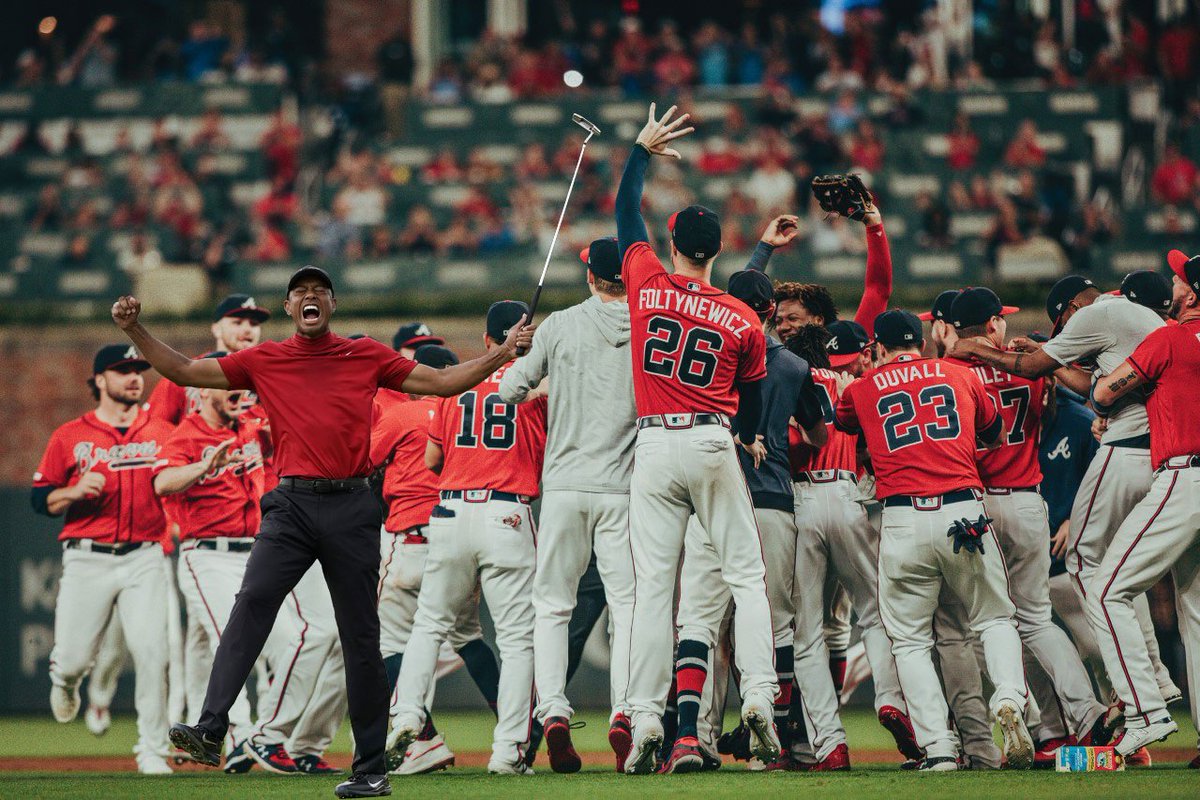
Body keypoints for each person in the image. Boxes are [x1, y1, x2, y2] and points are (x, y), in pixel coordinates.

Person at [111, 265, 536, 799]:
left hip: (352, 503)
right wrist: (133, 330)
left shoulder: (366, 354)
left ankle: (371, 769)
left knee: (361, 637)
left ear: (331, 304)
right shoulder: (265, 359)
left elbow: (445, 381)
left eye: (319, 291)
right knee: (253, 603)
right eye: (299, 292)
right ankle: (210, 729)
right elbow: (184, 371)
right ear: (290, 308)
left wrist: (503, 353)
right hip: (291, 503)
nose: (309, 297)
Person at [614, 103, 780, 774]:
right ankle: (761, 698)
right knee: (745, 576)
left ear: (676, 242)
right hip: (713, 439)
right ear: (718, 249)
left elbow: (626, 214)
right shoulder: (740, 315)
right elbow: (752, 392)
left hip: (653, 445)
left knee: (655, 588)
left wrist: (640, 151)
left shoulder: (647, 281)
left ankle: (648, 715)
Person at [950, 276, 1181, 709]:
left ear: (1074, 307)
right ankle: (1136, 688)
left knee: (1076, 568)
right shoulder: (1137, 318)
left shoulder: (1098, 314)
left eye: (1064, 327)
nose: (1068, 339)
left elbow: (1042, 371)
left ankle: (1138, 694)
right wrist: (1049, 359)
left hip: (1121, 453)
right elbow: (1082, 388)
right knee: (1110, 583)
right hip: (1161, 454)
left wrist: (980, 350)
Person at [834, 309, 1034, 771]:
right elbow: (994, 433)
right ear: (921, 343)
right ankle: (1007, 696)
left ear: (878, 348)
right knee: (995, 618)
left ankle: (939, 748)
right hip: (963, 511)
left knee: (909, 641)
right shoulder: (958, 374)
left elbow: (846, 423)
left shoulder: (864, 387)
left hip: (902, 518)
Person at [672, 262, 830, 773]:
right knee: (776, 623)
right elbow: (821, 434)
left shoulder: (709, 351)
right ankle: (776, 742)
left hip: (714, 496)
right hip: (772, 501)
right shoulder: (793, 366)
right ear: (769, 310)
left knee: (699, 621)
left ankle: (692, 737)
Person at [944, 288, 1110, 759]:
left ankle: (1020, 709)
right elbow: (1072, 388)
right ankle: (1086, 714)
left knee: (988, 623)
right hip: (1025, 500)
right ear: (994, 323)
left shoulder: (950, 374)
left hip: (974, 506)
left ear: (956, 328)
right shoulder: (1029, 364)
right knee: (1036, 620)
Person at [387, 301, 547, 776]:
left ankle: (408, 717)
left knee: (429, 625)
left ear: (486, 341)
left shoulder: (455, 385)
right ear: (528, 341)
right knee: (517, 640)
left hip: (451, 512)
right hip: (506, 512)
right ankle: (508, 752)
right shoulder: (537, 388)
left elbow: (433, 461)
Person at [497, 237, 637, 773]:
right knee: (626, 608)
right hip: (622, 488)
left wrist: (525, 353)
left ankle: (553, 709)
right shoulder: (650, 326)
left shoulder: (557, 324)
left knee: (554, 606)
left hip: (563, 487)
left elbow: (509, 390)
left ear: (590, 277)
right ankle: (625, 711)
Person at [32, 345, 176, 774]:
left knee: (153, 651)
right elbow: (41, 499)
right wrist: (73, 492)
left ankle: (153, 750)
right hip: (87, 559)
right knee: (75, 657)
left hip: (145, 555)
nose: (134, 377)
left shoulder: (162, 431)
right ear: (98, 381)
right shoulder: (70, 435)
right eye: (122, 370)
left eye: (137, 370)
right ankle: (67, 679)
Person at [784, 324, 921, 769]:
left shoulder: (790, 379)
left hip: (801, 499)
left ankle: (830, 744)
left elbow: (788, 445)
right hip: (848, 494)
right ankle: (890, 699)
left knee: (805, 634)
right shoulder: (861, 386)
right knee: (876, 614)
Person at [1089, 249, 1200, 760]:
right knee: (1195, 610)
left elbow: (1105, 394)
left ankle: (1146, 711)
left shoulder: (1170, 337)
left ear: (1192, 295)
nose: (1174, 285)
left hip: (1185, 477)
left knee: (1107, 589)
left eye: (1180, 280)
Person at [372, 343, 502, 775]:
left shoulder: (401, 414)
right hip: (458, 537)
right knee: (468, 637)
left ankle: (422, 739)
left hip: (408, 538)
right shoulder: (473, 409)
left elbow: (359, 462)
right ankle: (518, 728)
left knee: (386, 644)